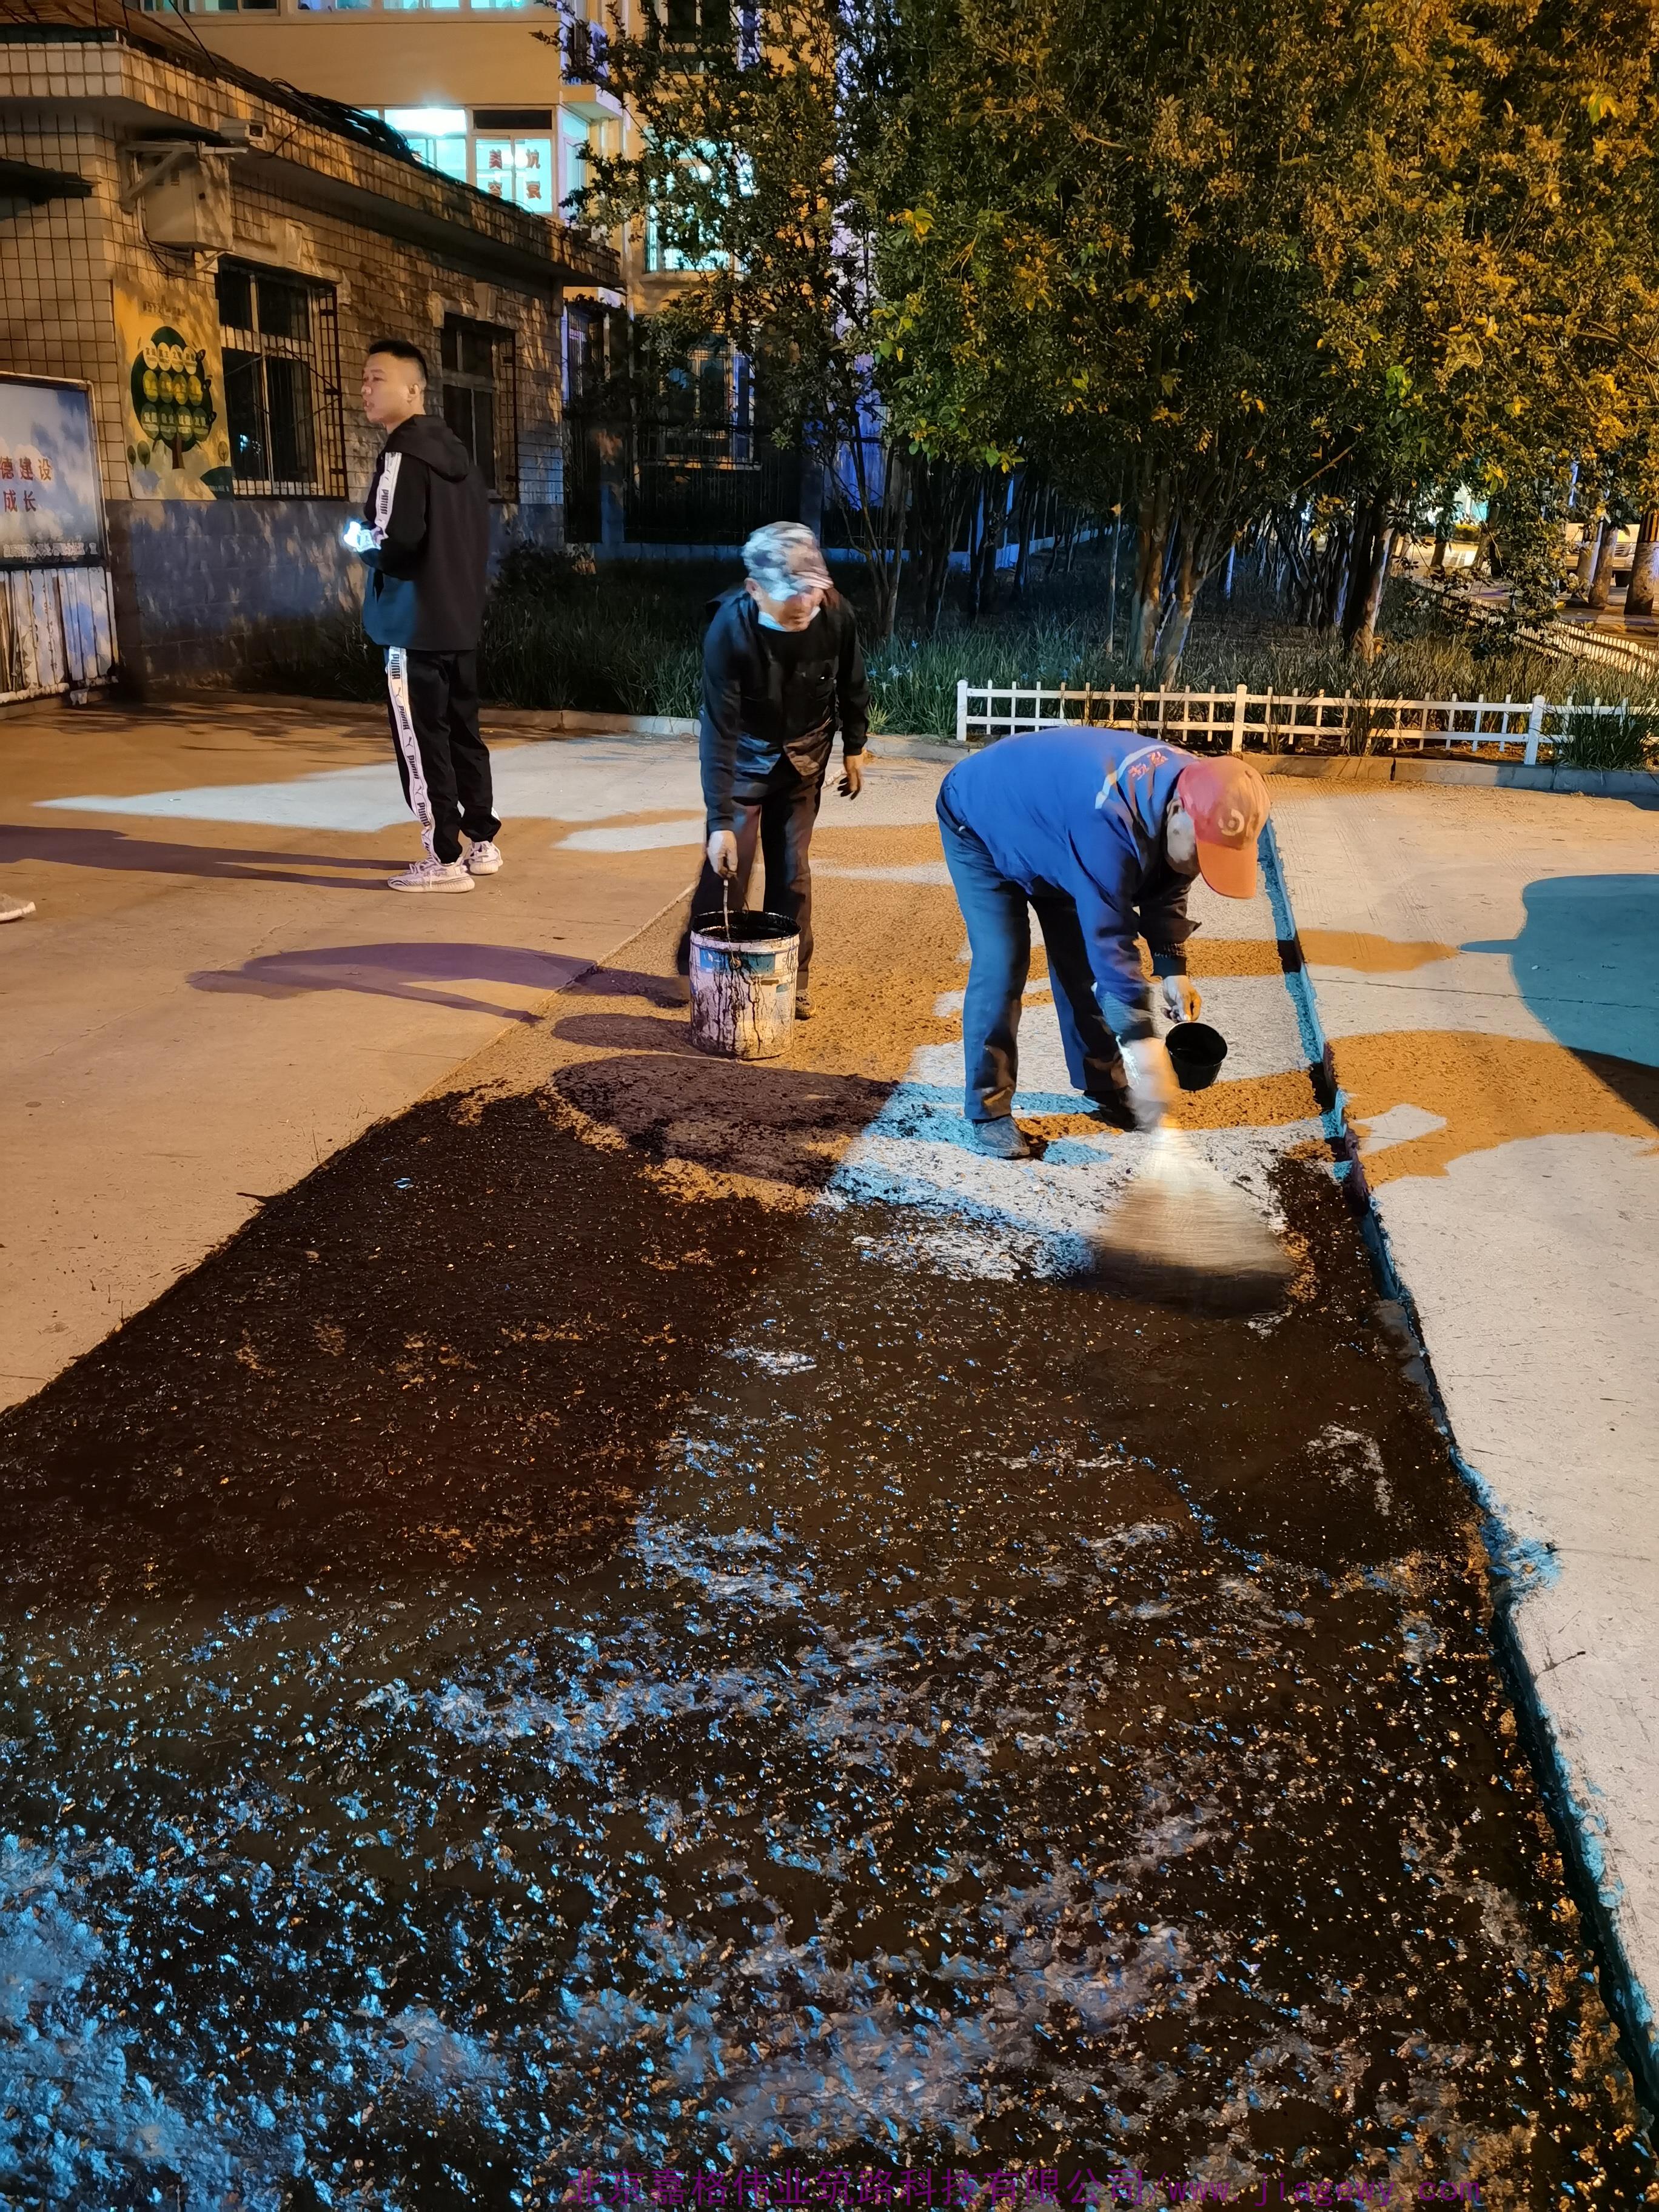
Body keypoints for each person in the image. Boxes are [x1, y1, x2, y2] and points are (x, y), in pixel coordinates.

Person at [935, 726, 1272, 1156]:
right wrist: (1145, 1052)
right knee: (1004, 961)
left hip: (1055, 834)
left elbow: (1168, 881)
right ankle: (987, 1110)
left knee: (1079, 964)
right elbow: (1112, 941)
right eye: (1203, 852)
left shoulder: (1198, 787)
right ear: (1176, 812)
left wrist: (1173, 969)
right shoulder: (1109, 820)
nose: (1202, 867)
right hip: (981, 819)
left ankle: (1104, 1085)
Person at [692, 521, 870, 1018]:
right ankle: (704, 968)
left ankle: (793, 976)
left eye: (810, 598)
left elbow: (852, 683)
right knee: (729, 863)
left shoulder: (833, 612)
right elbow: (719, 729)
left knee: (792, 870)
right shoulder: (729, 628)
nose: (804, 610)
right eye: (791, 603)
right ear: (755, 590)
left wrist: (855, 747)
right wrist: (718, 822)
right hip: (746, 754)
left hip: (806, 754)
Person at [345, 338, 498, 894]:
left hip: (411, 628)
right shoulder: (461, 456)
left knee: (421, 740)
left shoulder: (401, 455)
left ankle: (443, 859)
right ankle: (482, 843)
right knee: (463, 734)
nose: (365, 389)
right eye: (364, 379)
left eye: (376, 378)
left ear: (413, 389)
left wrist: (359, 542)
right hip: (458, 622)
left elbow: (397, 541)